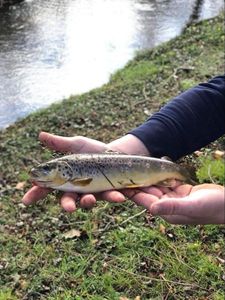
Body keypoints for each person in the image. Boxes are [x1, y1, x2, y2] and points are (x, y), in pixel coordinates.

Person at [22, 74, 225, 224]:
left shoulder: (73, 180)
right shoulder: (69, 178)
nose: (39, 174)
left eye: (46, 170)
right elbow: (217, 98)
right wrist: (140, 143)